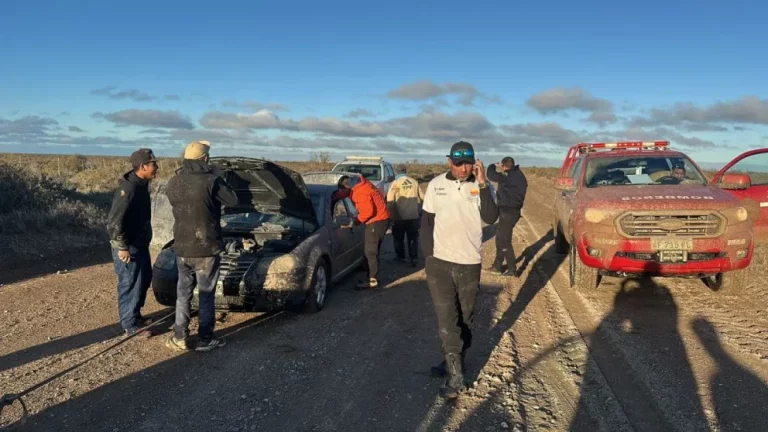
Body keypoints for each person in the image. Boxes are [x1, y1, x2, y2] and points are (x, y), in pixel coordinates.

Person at [420, 141, 499, 398]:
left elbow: (491, 217)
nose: (462, 169)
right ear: (449, 161)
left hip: (469, 264)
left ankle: (455, 359)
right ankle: (456, 377)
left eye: (467, 163)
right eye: (457, 163)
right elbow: (427, 225)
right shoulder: (435, 185)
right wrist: (429, 257)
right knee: (446, 318)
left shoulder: (482, 187)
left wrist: (484, 182)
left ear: (475, 163)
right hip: (440, 263)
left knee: (465, 317)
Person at [164, 141, 238, 352]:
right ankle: (205, 338)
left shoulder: (174, 181)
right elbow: (232, 200)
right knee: (205, 294)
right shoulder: (211, 181)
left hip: (182, 246)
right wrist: (218, 176)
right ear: (205, 159)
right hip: (206, 248)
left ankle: (180, 336)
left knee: (183, 293)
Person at [106, 148, 159, 337]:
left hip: (140, 243)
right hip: (129, 246)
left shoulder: (141, 184)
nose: (156, 167)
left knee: (143, 280)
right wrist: (122, 247)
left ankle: (135, 316)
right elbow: (114, 221)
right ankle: (130, 325)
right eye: (153, 164)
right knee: (130, 283)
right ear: (143, 167)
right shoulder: (128, 189)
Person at [486, 156, 528, 276]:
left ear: (504, 166)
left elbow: (491, 175)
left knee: (504, 240)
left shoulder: (507, 177)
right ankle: (497, 266)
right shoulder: (519, 175)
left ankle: (512, 269)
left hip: (508, 212)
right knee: (500, 237)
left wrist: (492, 165)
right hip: (512, 212)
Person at [348, 174, 390, 289]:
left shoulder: (361, 191)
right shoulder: (365, 185)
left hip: (376, 222)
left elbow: (368, 212)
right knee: (372, 250)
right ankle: (371, 276)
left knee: (370, 252)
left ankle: (373, 280)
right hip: (381, 220)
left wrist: (356, 221)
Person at [386, 164, 425, 266]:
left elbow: (390, 201)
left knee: (398, 237)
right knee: (413, 237)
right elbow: (423, 197)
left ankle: (401, 257)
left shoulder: (395, 183)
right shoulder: (414, 181)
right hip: (413, 215)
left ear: (397, 172)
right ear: (405, 171)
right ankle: (414, 258)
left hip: (399, 216)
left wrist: (390, 216)